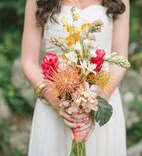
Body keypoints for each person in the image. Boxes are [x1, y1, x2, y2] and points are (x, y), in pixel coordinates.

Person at [21, 0, 129, 155]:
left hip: (102, 101)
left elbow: (120, 59)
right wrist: (57, 101)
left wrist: (94, 103)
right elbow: (28, 61)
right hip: (54, 109)